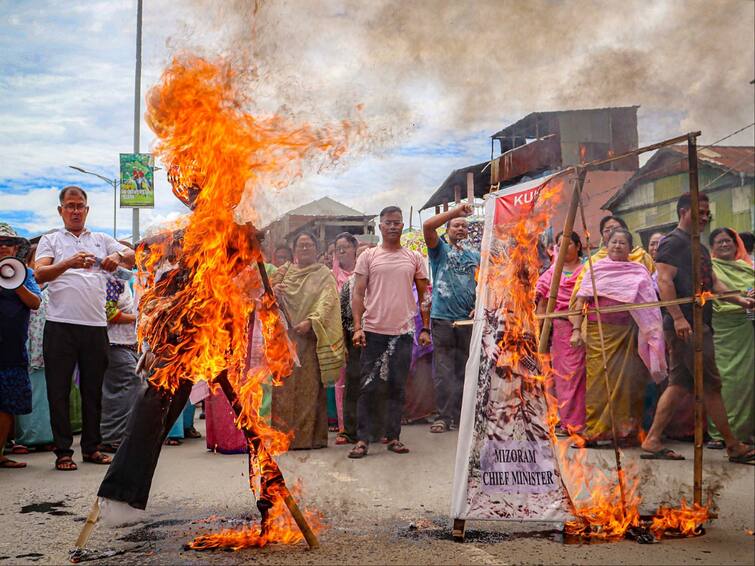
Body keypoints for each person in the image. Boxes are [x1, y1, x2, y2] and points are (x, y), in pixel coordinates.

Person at [641, 193, 755, 463]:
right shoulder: (673, 243)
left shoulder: (699, 247)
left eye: (707, 213)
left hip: (697, 324)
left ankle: (653, 439)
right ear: (683, 212)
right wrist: (679, 318)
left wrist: (740, 299)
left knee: (679, 384)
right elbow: (665, 282)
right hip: (687, 327)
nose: (704, 217)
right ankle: (733, 445)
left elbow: (712, 283)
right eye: (699, 212)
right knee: (712, 385)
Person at [34, 186, 135, 471]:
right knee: (59, 390)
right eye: (70, 206)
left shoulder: (101, 239)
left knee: (94, 390)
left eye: (80, 206)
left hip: (94, 327)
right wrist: (69, 262)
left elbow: (132, 257)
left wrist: (118, 257)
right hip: (60, 326)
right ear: (61, 210)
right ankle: (63, 452)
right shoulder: (50, 240)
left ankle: (92, 448)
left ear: (87, 210)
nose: (75, 211)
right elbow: (39, 273)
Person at [570, 228, 666, 446]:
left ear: (630, 249)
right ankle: (595, 431)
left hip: (628, 334)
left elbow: (649, 307)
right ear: (606, 245)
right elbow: (580, 302)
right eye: (613, 242)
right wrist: (576, 330)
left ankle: (626, 432)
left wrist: (652, 334)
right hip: (599, 334)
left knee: (627, 383)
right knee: (598, 382)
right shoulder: (596, 269)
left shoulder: (639, 271)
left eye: (622, 243)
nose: (617, 246)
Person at [348, 206, 430, 458]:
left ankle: (393, 437)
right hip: (373, 331)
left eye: (397, 222)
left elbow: (424, 296)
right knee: (368, 386)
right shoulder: (369, 257)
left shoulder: (414, 257)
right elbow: (358, 293)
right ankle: (362, 440)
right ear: (380, 226)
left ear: (402, 225)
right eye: (388, 222)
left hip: (403, 332)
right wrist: (358, 327)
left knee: (397, 386)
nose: (393, 226)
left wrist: (425, 328)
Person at [270, 231, 344, 449]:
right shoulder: (283, 272)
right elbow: (266, 297)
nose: (304, 249)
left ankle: (309, 439)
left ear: (316, 249)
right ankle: (282, 438)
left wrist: (312, 321)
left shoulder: (324, 275)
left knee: (309, 389)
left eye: (308, 245)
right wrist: (274, 291)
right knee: (283, 388)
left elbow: (328, 302)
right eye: (300, 246)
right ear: (294, 250)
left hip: (310, 338)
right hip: (285, 338)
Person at [422, 204, 480, 433]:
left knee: (465, 370)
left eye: (465, 226)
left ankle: (462, 418)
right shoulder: (440, 250)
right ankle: (443, 417)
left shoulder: (474, 255)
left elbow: (484, 283)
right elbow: (427, 226)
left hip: (468, 321)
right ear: (447, 230)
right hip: (442, 320)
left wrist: (479, 306)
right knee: (444, 372)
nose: (461, 229)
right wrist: (456, 211)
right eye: (456, 225)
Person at [706, 227, 754, 447]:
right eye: (719, 242)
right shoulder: (710, 269)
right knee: (722, 380)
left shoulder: (747, 268)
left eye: (728, 242)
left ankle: (743, 432)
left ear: (736, 245)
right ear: (712, 247)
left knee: (745, 381)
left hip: (745, 330)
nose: (725, 245)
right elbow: (712, 292)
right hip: (721, 330)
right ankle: (719, 434)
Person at [535, 231, 586, 436]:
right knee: (565, 377)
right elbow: (542, 303)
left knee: (585, 377)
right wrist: (539, 332)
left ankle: (583, 422)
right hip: (561, 329)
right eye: (560, 245)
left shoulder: (587, 269)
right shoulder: (552, 273)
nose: (565, 249)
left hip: (586, 326)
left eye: (569, 244)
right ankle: (568, 423)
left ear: (578, 246)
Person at [0, 224, 42, 469]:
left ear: (16, 248)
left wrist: (15, 282)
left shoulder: (25, 274)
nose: (3, 246)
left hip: (12, 348)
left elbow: (35, 302)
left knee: (6, 404)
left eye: (8, 242)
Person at [99, 274, 143, 453]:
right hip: (113, 343)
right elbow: (108, 313)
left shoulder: (128, 280)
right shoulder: (112, 280)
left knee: (132, 385)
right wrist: (138, 318)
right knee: (126, 383)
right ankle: (111, 437)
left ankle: (120, 435)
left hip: (127, 343)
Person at [332, 233, 360, 444]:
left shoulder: (365, 271)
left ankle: (368, 426)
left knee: (364, 379)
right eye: (338, 248)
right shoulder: (331, 276)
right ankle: (345, 427)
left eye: (345, 247)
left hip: (362, 330)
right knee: (342, 381)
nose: (341, 251)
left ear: (354, 248)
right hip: (338, 332)